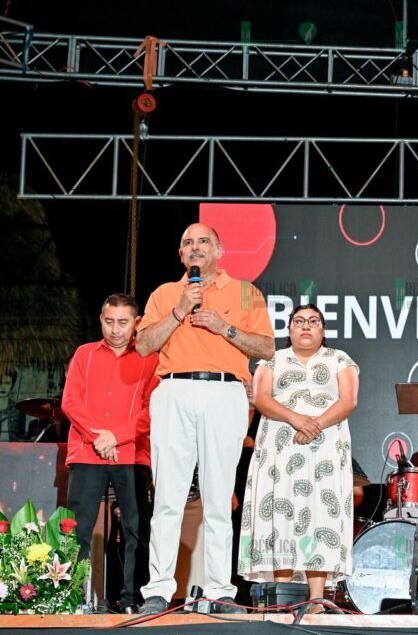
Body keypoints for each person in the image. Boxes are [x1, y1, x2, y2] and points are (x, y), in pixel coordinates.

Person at [136, 223, 274, 616]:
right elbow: (144, 344)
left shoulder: (245, 292)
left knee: (217, 500)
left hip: (225, 393)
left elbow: (266, 346)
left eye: (202, 242)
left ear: (219, 250)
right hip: (174, 392)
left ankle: (219, 592)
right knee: (167, 499)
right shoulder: (165, 293)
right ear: (181, 255)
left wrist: (224, 327)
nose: (194, 248)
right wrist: (180, 310)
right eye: (187, 243)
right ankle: (158, 591)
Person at [238, 304, 359, 609]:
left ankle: (316, 599)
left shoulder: (339, 359)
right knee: (281, 512)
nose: (305, 326)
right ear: (289, 329)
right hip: (280, 449)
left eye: (313, 321)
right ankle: (283, 596)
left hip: (326, 449)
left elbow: (348, 400)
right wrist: (296, 419)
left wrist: (314, 424)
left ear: (323, 329)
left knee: (320, 515)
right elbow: (263, 399)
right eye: (298, 321)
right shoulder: (272, 360)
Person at [62, 293, 159, 612]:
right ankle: (73, 595)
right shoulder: (84, 354)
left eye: (123, 322)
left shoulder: (151, 358)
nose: (115, 329)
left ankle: (133, 598)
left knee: (136, 529)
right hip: (87, 454)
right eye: (109, 321)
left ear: (136, 323)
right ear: (100, 320)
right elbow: (70, 402)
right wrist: (97, 437)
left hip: (132, 455)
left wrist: (115, 436)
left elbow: (151, 409)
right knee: (77, 528)